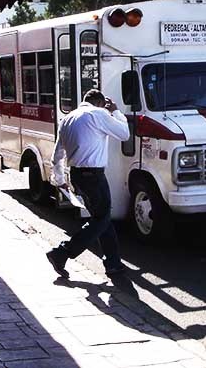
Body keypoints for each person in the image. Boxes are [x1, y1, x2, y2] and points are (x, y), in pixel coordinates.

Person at [46, 89, 130, 279]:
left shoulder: (68, 119)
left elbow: (57, 155)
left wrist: (60, 181)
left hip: (76, 175)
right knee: (102, 219)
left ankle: (113, 264)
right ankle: (62, 252)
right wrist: (115, 112)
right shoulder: (98, 114)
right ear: (100, 103)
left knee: (102, 218)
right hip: (94, 176)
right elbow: (124, 134)